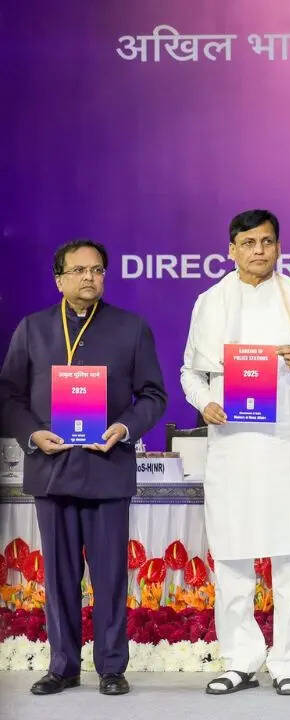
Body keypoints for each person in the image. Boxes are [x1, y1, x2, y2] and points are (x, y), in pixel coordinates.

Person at [180, 209, 290, 696]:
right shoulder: (210, 302)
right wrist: (204, 402)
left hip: (287, 449)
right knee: (232, 556)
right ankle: (240, 660)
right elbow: (190, 372)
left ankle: (289, 661)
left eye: (267, 242)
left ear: (279, 247)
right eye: (248, 243)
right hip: (231, 449)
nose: (258, 251)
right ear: (231, 249)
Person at [0, 239, 166, 696]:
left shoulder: (131, 328)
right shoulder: (33, 329)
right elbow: (8, 395)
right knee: (58, 577)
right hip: (51, 469)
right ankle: (63, 667)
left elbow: (154, 395)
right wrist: (32, 433)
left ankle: (111, 667)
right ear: (59, 280)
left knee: (110, 575)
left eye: (97, 270)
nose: (89, 277)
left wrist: (124, 427)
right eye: (78, 270)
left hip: (107, 467)